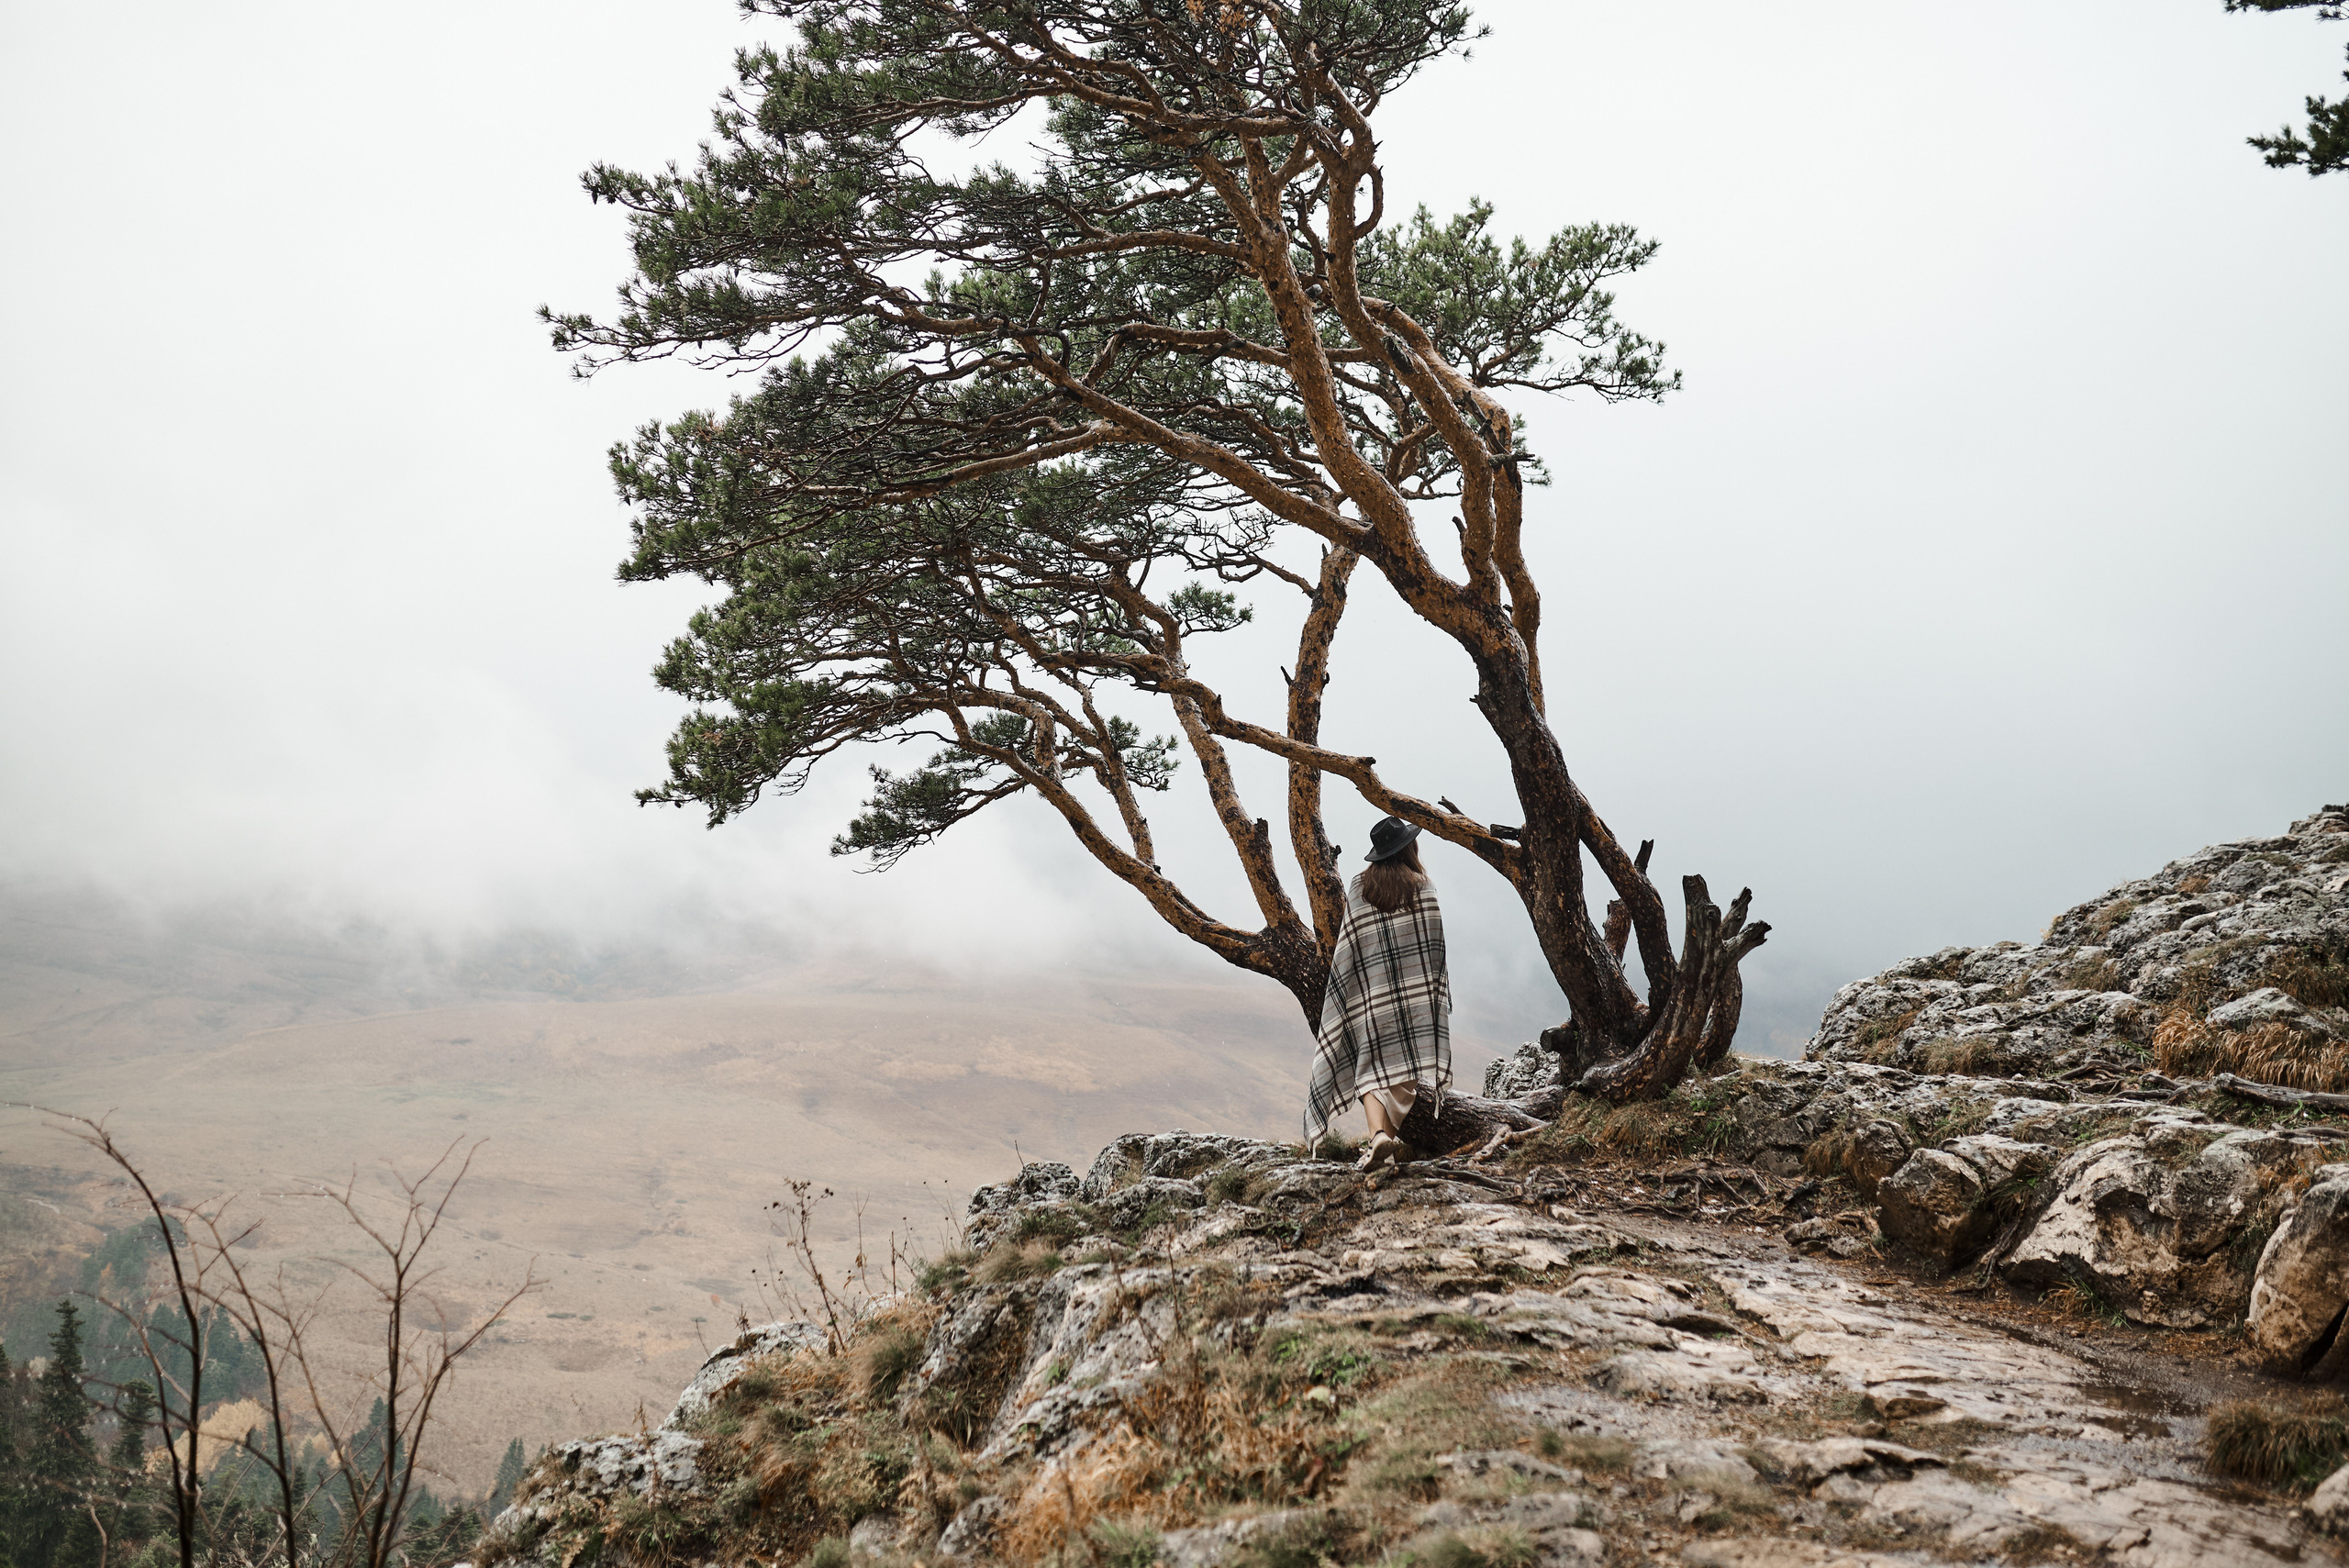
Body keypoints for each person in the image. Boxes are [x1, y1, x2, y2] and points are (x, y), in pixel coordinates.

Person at [1305, 815, 1453, 1172]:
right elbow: (1435, 949)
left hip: (1373, 998)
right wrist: (1436, 990)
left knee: (1368, 1070)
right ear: (1408, 848)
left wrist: (1349, 990)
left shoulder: (1359, 887)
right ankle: (1379, 1139)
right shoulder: (1424, 887)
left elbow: (1349, 945)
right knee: (1403, 1073)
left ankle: (1378, 1142)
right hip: (1413, 999)